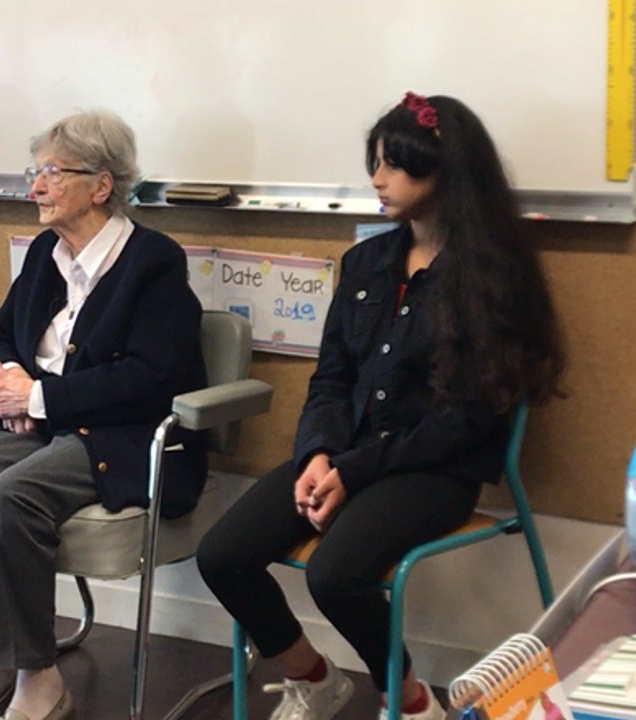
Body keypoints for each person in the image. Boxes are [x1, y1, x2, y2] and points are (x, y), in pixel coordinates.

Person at [196, 92, 567, 720]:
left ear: (446, 172)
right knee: (222, 554)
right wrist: (315, 453)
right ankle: (312, 676)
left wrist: (353, 471)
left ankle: (413, 697)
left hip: (436, 469)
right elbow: (332, 376)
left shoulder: (494, 277)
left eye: (395, 164)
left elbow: (470, 420)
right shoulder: (366, 262)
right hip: (348, 453)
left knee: (334, 575)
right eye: (375, 162)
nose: (377, 178)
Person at [0, 110, 207, 720]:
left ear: (101, 185)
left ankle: (39, 676)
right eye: (36, 170)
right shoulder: (48, 252)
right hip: (40, 424)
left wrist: (41, 398)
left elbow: (149, 377)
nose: (36, 186)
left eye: (52, 171)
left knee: (8, 498)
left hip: (122, 436)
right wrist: (8, 383)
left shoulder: (153, 261)